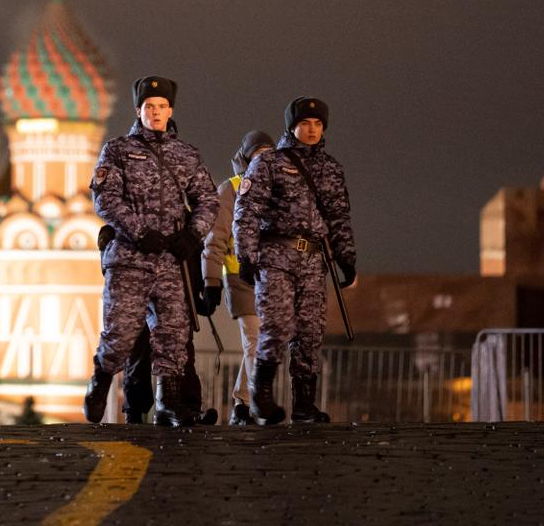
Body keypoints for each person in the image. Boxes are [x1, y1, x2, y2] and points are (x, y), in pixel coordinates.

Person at [84, 76, 219, 426]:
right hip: (130, 258)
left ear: (170, 110)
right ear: (138, 110)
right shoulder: (118, 150)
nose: (155, 113)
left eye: (161, 107)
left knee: (174, 334)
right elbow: (105, 198)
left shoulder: (186, 155)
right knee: (121, 336)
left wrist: (192, 235)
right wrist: (139, 231)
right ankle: (100, 382)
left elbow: (207, 200)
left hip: (169, 261)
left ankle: (170, 403)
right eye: (149, 107)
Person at [234, 97, 356, 425]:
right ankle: (260, 396)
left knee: (310, 331)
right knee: (276, 325)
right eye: (305, 124)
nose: (312, 130)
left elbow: (339, 217)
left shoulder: (331, 168)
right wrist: (245, 254)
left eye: (318, 124)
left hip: (313, 260)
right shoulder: (270, 163)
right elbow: (247, 210)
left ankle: (304, 405)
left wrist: (347, 258)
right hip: (276, 255)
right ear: (292, 127)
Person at [204, 129, 275, 425]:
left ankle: (242, 404)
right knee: (255, 340)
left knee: (264, 343)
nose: (264, 163)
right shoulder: (231, 189)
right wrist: (211, 280)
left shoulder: (281, 191)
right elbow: (216, 237)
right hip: (240, 277)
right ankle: (254, 405)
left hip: (273, 279)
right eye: (259, 156)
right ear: (246, 158)